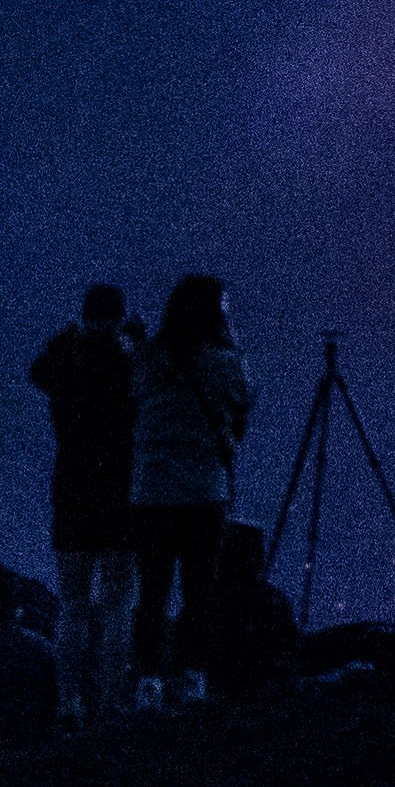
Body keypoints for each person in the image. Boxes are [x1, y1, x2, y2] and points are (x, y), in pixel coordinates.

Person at [127, 273, 250, 709]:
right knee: (200, 589)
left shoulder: (147, 358)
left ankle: (147, 682)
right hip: (204, 490)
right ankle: (192, 676)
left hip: (152, 490)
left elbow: (133, 398)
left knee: (153, 591)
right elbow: (244, 403)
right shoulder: (224, 362)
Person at [29, 284, 136, 724]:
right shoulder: (127, 364)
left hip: (72, 489)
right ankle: (113, 700)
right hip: (121, 491)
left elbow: (37, 371)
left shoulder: (66, 362)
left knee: (72, 602)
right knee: (117, 603)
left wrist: (65, 339)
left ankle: (69, 699)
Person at [193, 522, 300, 699]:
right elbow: (289, 645)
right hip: (262, 684)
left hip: (223, 685)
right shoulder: (270, 599)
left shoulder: (205, 598)